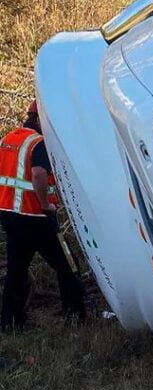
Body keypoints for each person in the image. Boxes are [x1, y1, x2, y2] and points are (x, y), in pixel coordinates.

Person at [0, 100, 85, 331]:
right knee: (67, 264)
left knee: (17, 269)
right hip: (35, 216)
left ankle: (10, 321)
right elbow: (38, 174)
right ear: (39, 120)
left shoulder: (8, 139)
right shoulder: (38, 143)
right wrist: (46, 204)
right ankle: (75, 316)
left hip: (9, 215)